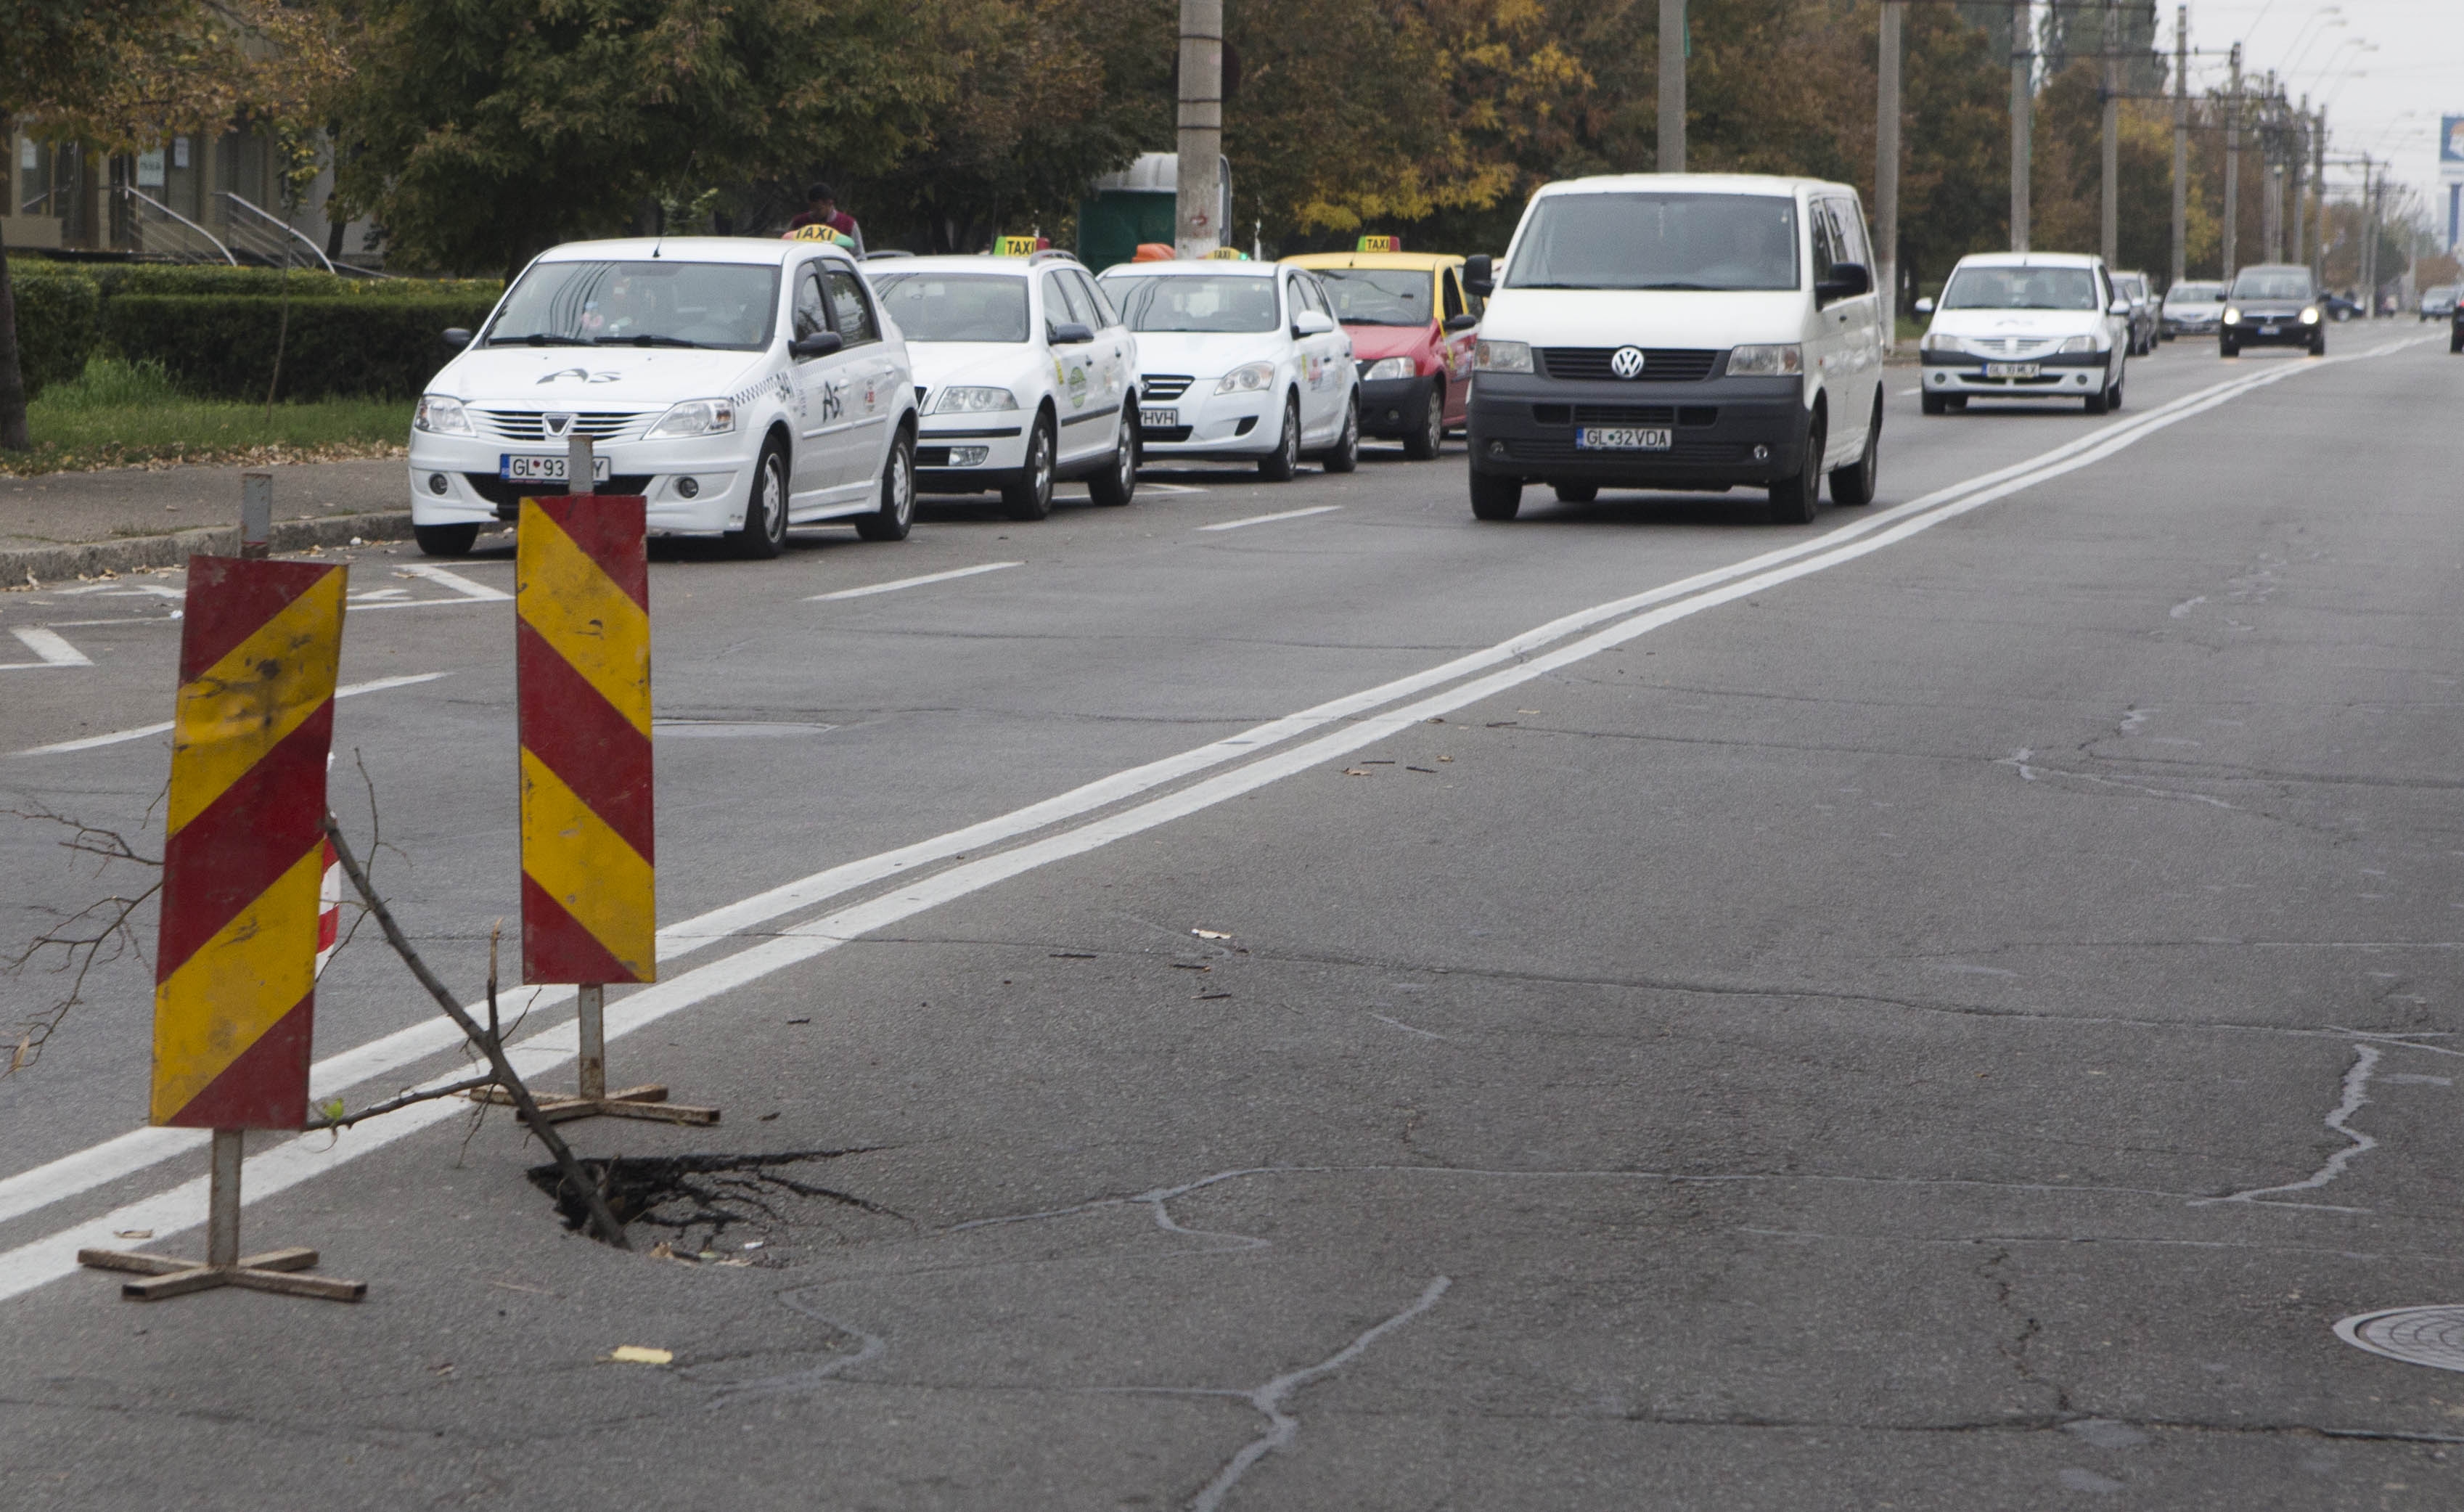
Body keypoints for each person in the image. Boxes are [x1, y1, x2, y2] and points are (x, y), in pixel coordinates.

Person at [787, 182, 863, 255]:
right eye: (812, 208)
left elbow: (859, 255)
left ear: (830, 204)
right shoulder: (798, 223)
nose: (814, 212)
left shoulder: (848, 224)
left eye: (819, 209)